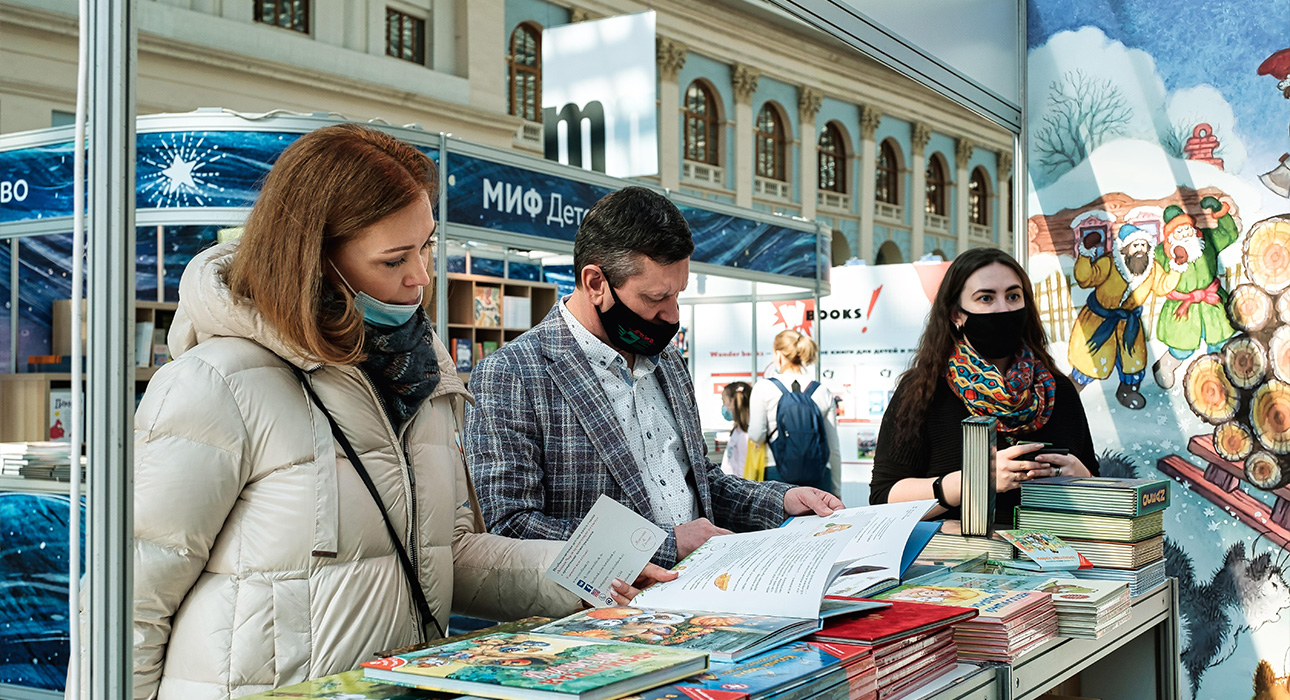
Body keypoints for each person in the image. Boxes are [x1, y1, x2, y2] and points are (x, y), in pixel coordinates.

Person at [130, 124, 667, 700]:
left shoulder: (422, 377)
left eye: (426, 246)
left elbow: (449, 553)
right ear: (313, 260)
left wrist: (582, 570)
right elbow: (128, 606)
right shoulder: (216, 385)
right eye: (393, 260)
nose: (420, 275)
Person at [466, 186, 842, 567]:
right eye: (655, 298)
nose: (673, 316)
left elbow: (701, 482)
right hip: (593, 619)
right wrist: (662, 545)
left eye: (678, 294)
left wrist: (780, 501)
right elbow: (511, 529)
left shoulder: (667, 361)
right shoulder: (512, 375)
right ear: (596, 283)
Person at [869, 248, 1098, 523]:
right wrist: (974, 481)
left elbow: (1097, 484)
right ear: (956, 315)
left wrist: (1083, 478)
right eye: (986, 298)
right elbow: (884, 497)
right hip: (954, 561)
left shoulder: (1058, 389)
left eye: (1013, 296)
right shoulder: (923, 391)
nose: (1003, 308)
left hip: (1057, 561)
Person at [747, 330, 842, 495]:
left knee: (779, 521)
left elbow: (757, 435)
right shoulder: (822, 391)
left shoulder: (763, 387)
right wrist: (836, 491)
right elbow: (833, 448)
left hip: (776, 472)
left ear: (779, 355)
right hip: (819, 474)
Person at [718, 381, 752, 477]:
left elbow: (743, 471)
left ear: (734, 402)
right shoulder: (737, 431)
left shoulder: (745, 435)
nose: (723, 406)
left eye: (724, 401)